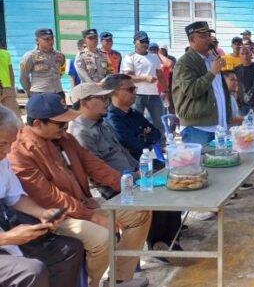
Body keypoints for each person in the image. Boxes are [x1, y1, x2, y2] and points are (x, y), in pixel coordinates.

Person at [8, 94, 151, 287]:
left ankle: (119, 279)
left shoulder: (65, 139)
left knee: (140, 212)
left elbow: (94, 165)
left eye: (67, 123)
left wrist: (128, 187)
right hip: (56, 217)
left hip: (82, 205)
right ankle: (91, 283)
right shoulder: (19, 152)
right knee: (103, 238)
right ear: (38, 124)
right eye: (60, 124)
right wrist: (92, 216)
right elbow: (50, 197)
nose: (66, 128)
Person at [68, 83, 187, 266]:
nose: (106, 102)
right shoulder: (81, 132)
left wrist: (139, 173)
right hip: (112, 188)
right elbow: (96, 172)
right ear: (84, 102)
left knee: (171, 186)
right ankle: (157, 244)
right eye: (101, 98)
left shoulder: (101, 124)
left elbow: (127, 148)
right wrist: (134, 177)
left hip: (133, 175)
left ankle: (168, 241)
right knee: (155, 198)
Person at [0, 104, 84, 287]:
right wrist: (7, 238)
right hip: (4, 242)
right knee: (30, 272)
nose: (7, 151)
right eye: (2, 144)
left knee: (69, 250)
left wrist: (42, 213)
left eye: (10, 144)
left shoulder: (2, 162)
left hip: (8, 236)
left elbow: (14, 197)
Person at [171, 21, 233, 145]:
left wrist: (227, 117)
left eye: (208, 35)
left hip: (218, 126)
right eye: (203, 36)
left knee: (220, 162)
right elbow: (192, 90)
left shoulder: (211, 59)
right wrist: (212, 72)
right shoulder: (184, 62)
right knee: (199, 164)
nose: (208, 39)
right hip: (197, 128)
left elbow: (218, 91)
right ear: (192, 40)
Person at [122, 30, 167, 145]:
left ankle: (161, 144)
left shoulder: (154, 57)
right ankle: (137, 144)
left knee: (158, 121)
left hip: (154, 94)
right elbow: (128, 77)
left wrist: (166, 90)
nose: (145, 44)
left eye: (147, 41)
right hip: (136, 95)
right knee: (136, 122)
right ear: (135, 42)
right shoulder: (130, 57)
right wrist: (145, 79)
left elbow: (160, 75)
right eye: (142, 41)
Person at [103, 73, 162, 162]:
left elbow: (157, 133)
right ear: (113, 92)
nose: (135, 92)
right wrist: (146, 136)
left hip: (143, 161)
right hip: (129, 167)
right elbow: (133, 145)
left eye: (135, 89)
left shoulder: (134, 113)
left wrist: (141, 138)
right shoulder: (111, 118)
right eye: (131, 89)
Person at [20, 28, 66, 98]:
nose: (50, 41)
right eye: (46, 39)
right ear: (37, 40)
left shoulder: (59, 55)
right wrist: (29, 92)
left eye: (51, 38)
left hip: (58, 92)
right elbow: (23, 77)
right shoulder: (30, 56)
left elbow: (62, 70)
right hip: (40, 93)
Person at [0, 40, 20, 117]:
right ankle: (19, 128)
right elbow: (11, 73)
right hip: (8, 87)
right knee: (14, 115)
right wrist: (12, 87)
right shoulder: (6, 53)